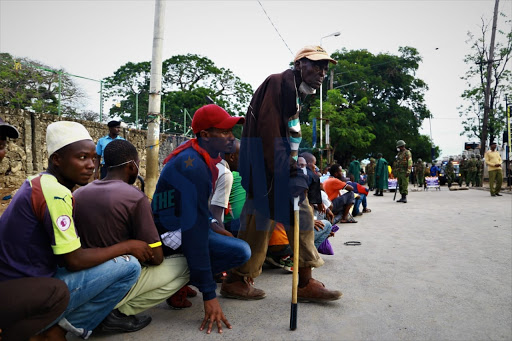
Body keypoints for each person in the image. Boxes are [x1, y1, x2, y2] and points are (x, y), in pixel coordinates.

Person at [0, 121, 150, 340]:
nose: (91, 165)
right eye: (81, 158)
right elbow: (74, 260)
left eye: (93, 158)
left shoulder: (37, 181)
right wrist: (128, 246)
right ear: (57, 160)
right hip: (24, 289)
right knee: (129, 267)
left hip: (21, 280)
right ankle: (53, 329)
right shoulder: (56, 193)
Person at [221, 45, 342, 303]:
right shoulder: (278, 84)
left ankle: (236, 280)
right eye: (316, 65)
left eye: (325, 68)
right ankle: (305, 283)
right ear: (299, 64)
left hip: (269, 170)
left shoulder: (294, 92)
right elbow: (269, 132)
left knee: (258, 225)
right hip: (272, 171)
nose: (322, 72)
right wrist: (289, 170)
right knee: (302, 218)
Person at [152, 104, 251, 334]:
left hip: (181, 222)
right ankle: (174, 282)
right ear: (205, 135)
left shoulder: (200, 156)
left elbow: (196, 211)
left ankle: (182, 279)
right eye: (225, 132)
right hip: (170, 232)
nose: (231, 137)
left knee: (227, 238)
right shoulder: (193, 165)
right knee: (240, 251)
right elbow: (192, 231)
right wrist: (209, 294)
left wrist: (213, 225)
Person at [73, 139, 190, 332]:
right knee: (186, 264)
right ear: (131, 166)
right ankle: (114, 312)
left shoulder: (79, 194)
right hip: (117, 281)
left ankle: (102, 311)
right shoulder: (135, 197)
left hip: (85, 280)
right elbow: (157, 257)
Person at [0, 118, 71, 341]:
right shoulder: (49, 189)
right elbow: (72, 258)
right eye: (82, 157)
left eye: (1, 144)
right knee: (57, 292)